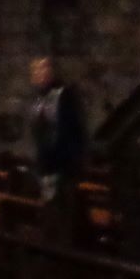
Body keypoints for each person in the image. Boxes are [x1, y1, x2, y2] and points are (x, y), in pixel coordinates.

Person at [26, 55, 87, 203]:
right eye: (38, 69)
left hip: (62, 166)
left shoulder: (64, 95)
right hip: (43, 164)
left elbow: (72, 130)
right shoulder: (36, 99)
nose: (43, 72)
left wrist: (70, 161)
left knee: (61, 208)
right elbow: (34, 131)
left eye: (46, 68)